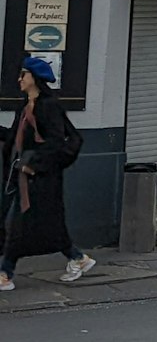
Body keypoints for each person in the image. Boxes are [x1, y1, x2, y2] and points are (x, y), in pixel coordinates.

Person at [1, 57, 93, 292]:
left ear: (35, 78)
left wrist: (36, 165)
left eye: (23, 74)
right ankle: (77, 257)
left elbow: (56, 141)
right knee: (47, 224)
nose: (19, 79)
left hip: (41, 177)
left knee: (19, 224)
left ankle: (5, 273)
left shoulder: (48, 105)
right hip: (23, 174)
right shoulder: (25, 106)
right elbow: (14, 136)